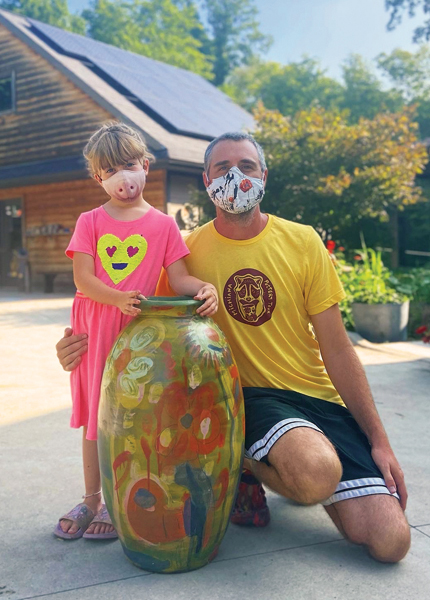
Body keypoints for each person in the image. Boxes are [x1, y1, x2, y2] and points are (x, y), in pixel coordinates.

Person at [56, 131, 410, 562]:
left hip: (317, 399)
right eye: (222, 168)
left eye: (246, 166)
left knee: (392, 543)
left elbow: (338, 350)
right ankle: (239, 456)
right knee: (317, 473)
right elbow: (138, 314)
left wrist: (379, 440)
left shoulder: (303, 241)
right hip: (250, 401)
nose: (235, 176)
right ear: (206, 180)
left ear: (265, 175)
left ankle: (276, 465)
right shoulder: (188, 248)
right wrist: (77, 346)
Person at [54, 122, 218, 541]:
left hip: (139, 331)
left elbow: (178, 277)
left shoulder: (163, 225)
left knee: (131, 414)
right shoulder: (89, 220)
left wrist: (202, 288)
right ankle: (92, 498)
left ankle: (120, 495)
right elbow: (84, 278)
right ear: (98, 177)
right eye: (111, 170)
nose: (122, 177)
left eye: (129, 165)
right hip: (97, 323)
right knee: (95, 415)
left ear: (145, 165)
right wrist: (115, 298)